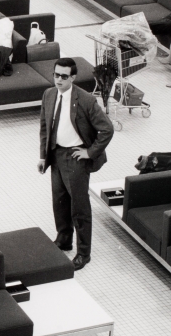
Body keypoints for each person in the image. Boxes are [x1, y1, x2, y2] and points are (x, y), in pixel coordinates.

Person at [37, 59, 114, 270]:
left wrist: (89, 152)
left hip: (76, 157)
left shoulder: (86, 100)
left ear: (73, 77)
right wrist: (43, 156)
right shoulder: (49, 94)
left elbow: (107, 129)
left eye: (63, 76)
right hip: (56, 155)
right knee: (59, 201)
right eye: (56, 75)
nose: (58, 80)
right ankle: (64, 239)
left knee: (79, 207)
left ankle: (83, 252)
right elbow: (45, 127)